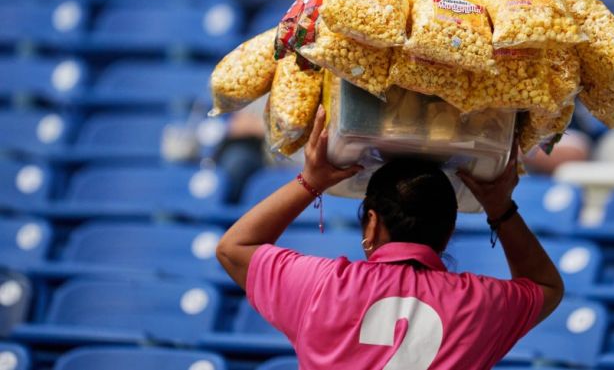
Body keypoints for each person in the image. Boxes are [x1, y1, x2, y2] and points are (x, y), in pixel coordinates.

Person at [217, 105, 565, 370]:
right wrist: (501, 210)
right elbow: (546, 286)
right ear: (447, 234)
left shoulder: (320, 285)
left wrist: (311, 181)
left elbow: (234, 248)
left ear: (372, 223)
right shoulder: (480, 303)